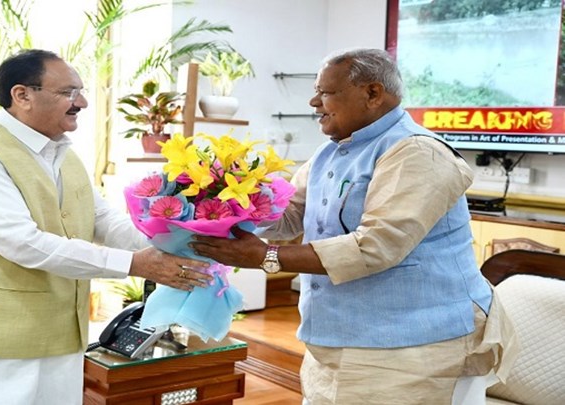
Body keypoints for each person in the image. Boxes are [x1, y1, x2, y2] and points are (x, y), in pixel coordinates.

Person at [191, 48, 518, 405]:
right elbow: (288, 217)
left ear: (373, 94)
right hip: (335, 338)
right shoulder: (329, 153)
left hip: (413, 347)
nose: (314, 101)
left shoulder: (418, 152)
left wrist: (266, 256)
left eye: (326, 92)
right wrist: (224, 203)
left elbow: (376, 247)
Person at [0, 49, 212, 405]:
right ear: (22, 95)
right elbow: (23, 243)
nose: (82, 102)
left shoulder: (62, 153)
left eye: (81, 91)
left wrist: (181, 243)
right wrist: (135, 264)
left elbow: (101, 218)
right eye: (68, 93)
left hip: (57, 337)